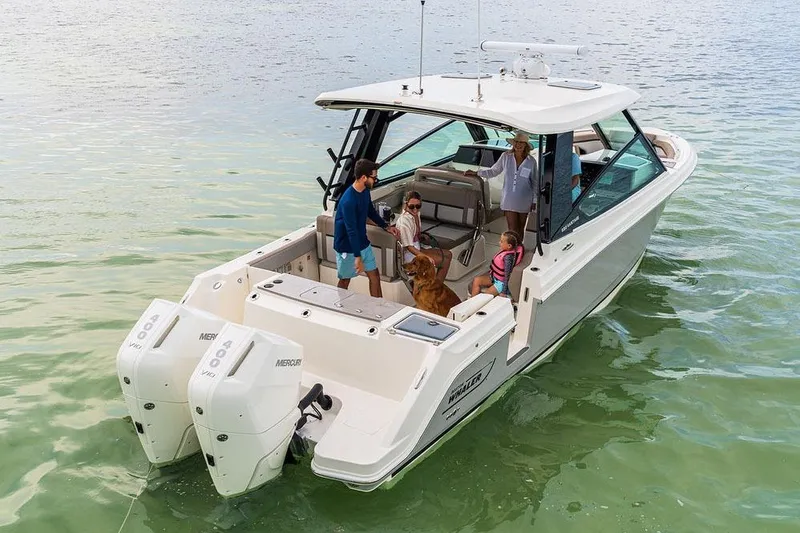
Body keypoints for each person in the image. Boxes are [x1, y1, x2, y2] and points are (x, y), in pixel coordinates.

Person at [333, 159, 400, 297]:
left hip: (362, 241)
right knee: (345, 280)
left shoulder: (364, 192)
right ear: (364, 177)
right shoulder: (348, 201)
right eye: (374, 178)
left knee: (374, 276)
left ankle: (378, 309)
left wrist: (386, 226)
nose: (375, 180)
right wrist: (357, 256)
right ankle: (339, 307)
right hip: (347, 246)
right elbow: (351, 231)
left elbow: (370, 211)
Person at [464, 131, 537, 238]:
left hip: (525, 199)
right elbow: (493, 171)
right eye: (516, 142)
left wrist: (535, 200)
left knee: (521, 228)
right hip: (509, 198)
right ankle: (512, 251)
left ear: (526, 145)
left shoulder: (531, 161)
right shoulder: (506, 156)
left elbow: (535, 182)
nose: (518, 145)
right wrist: (476, 173)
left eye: (521, 142)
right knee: (512, 229)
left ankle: (518, 250)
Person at [395, 191, 452, 282]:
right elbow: (409, 247)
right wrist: (426, 257)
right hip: (410, 255)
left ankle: (435, 285)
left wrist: (420, 236)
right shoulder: (404, 222)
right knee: (444, 261)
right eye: (411, 206)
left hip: (417, 248)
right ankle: (436, 289)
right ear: (406, 204)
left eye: (418, 206)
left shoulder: (416, 214)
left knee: (448, 254)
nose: (415, 209)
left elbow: (415, 233)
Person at [469, 231, 524, 298]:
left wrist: (504, 292)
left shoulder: (508, 258)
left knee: (483, 297)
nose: (499, 242)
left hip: (501, 283)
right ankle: (471, 302)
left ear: (509, 246)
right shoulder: (507, 251)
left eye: (501, 241)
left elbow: (507, 276)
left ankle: (476, 305)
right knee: (476, 280)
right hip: (494, 277)